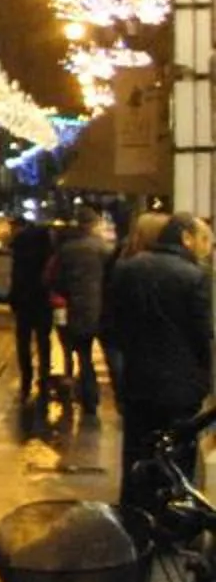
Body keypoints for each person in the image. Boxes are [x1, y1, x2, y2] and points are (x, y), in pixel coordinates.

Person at [105, 212, 214, 504]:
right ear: (186, 238)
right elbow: (201, 334)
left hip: (139, 381)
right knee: (177, 459)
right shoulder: (194, 276)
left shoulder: (127, 269)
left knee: (138, 453)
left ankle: (135, 520)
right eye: (205, 240)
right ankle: (170, 521)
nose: (207, 248)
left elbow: (113, 327)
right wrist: (204, 379)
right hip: (181, 387)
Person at [52, 213, 116, 416]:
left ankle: (90, 399)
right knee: (113, 358)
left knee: (84, 357)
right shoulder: (105, 250)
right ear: (94, 226)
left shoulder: (66, 251)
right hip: (105, 311)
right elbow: (115, 278)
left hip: (78, 311)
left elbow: (56, 281)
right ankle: (122, 400)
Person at [7, 212, 60, 405]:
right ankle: (44, 376)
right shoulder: (45, 251)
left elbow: (16, 278)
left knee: (24, 342)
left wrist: (13, 299)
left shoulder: (20, 251)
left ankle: (26, 380)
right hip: (43, 301)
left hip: (25, 303)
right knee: (43, 340)